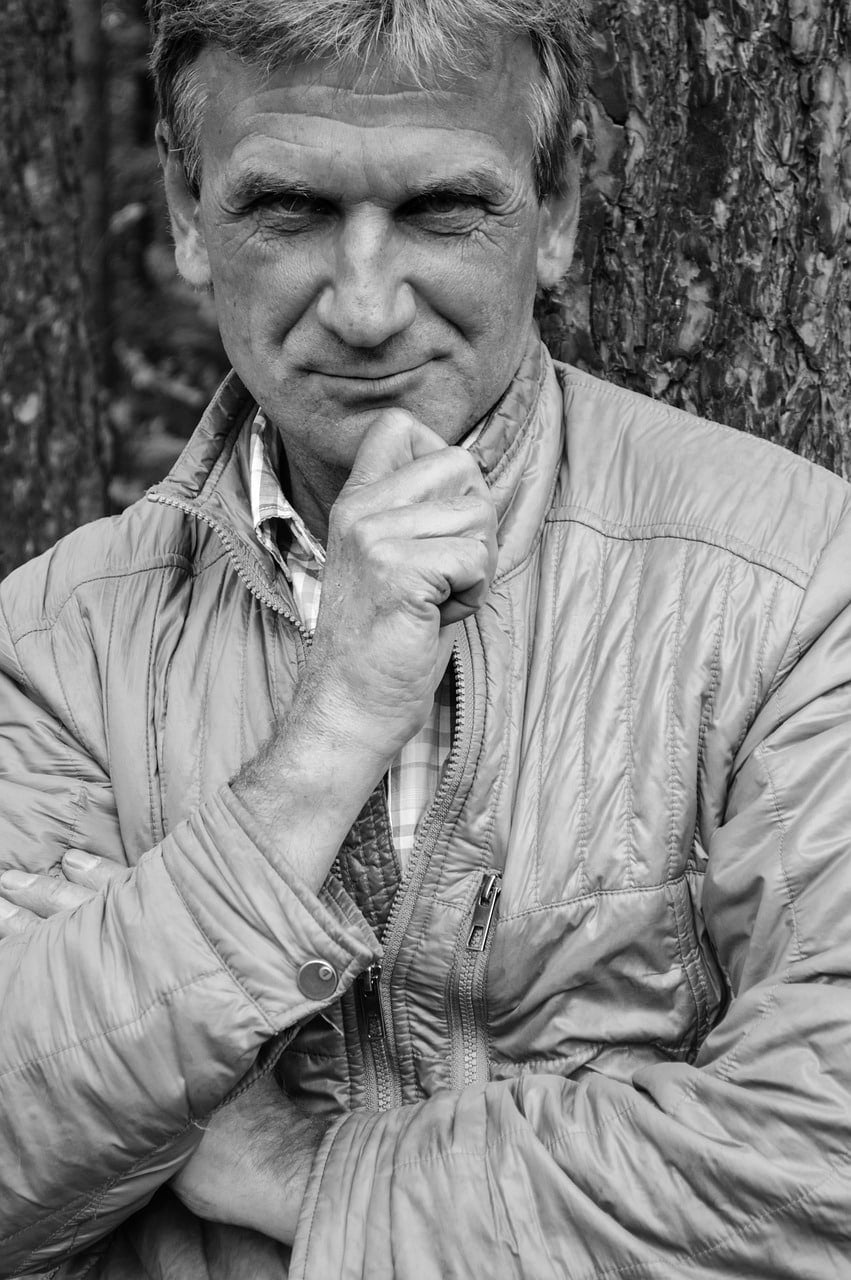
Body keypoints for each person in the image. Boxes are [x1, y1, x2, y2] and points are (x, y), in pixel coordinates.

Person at [1, 0, 850, 1276]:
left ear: (554, 212)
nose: (362, 306)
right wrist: (333, 725)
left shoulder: (789, 583)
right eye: (286, 209)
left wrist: (300, 1169)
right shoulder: (58, 644)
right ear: (186, 211)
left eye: (441, 209)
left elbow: (819, 1163)